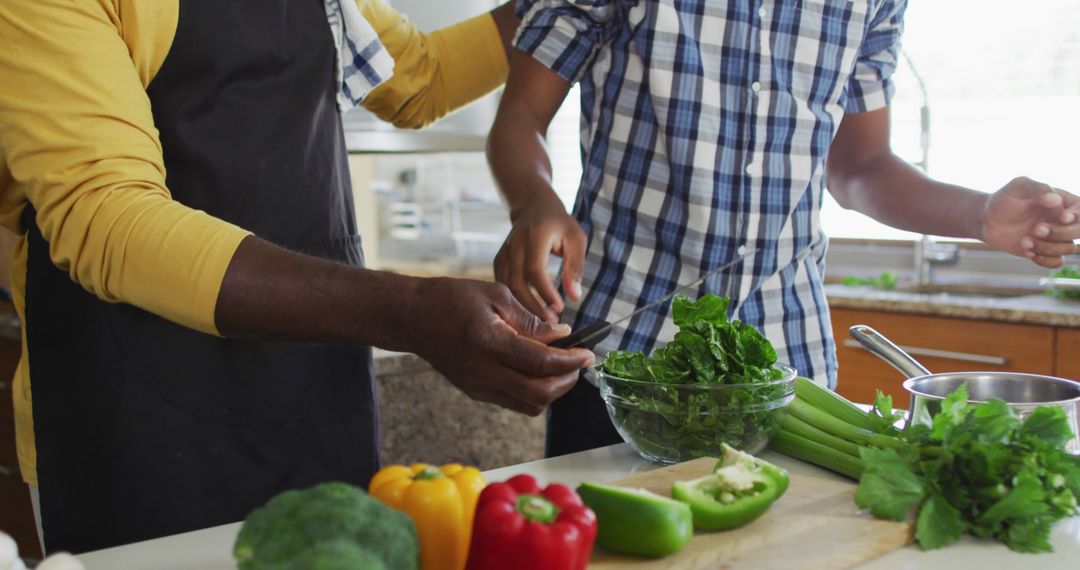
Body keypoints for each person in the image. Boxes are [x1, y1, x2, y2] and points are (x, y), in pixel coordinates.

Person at [0, 0, 594, 554]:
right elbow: (109, 218)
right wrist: (411, 308)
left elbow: (417, 77)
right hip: (134, 412)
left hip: (311, 382)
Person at [487, 0, 1080, 458]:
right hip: (623, 372)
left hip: (791, 371)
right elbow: (520, 118)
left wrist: (979, 215)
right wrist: (534, 199)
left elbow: (860, 169)